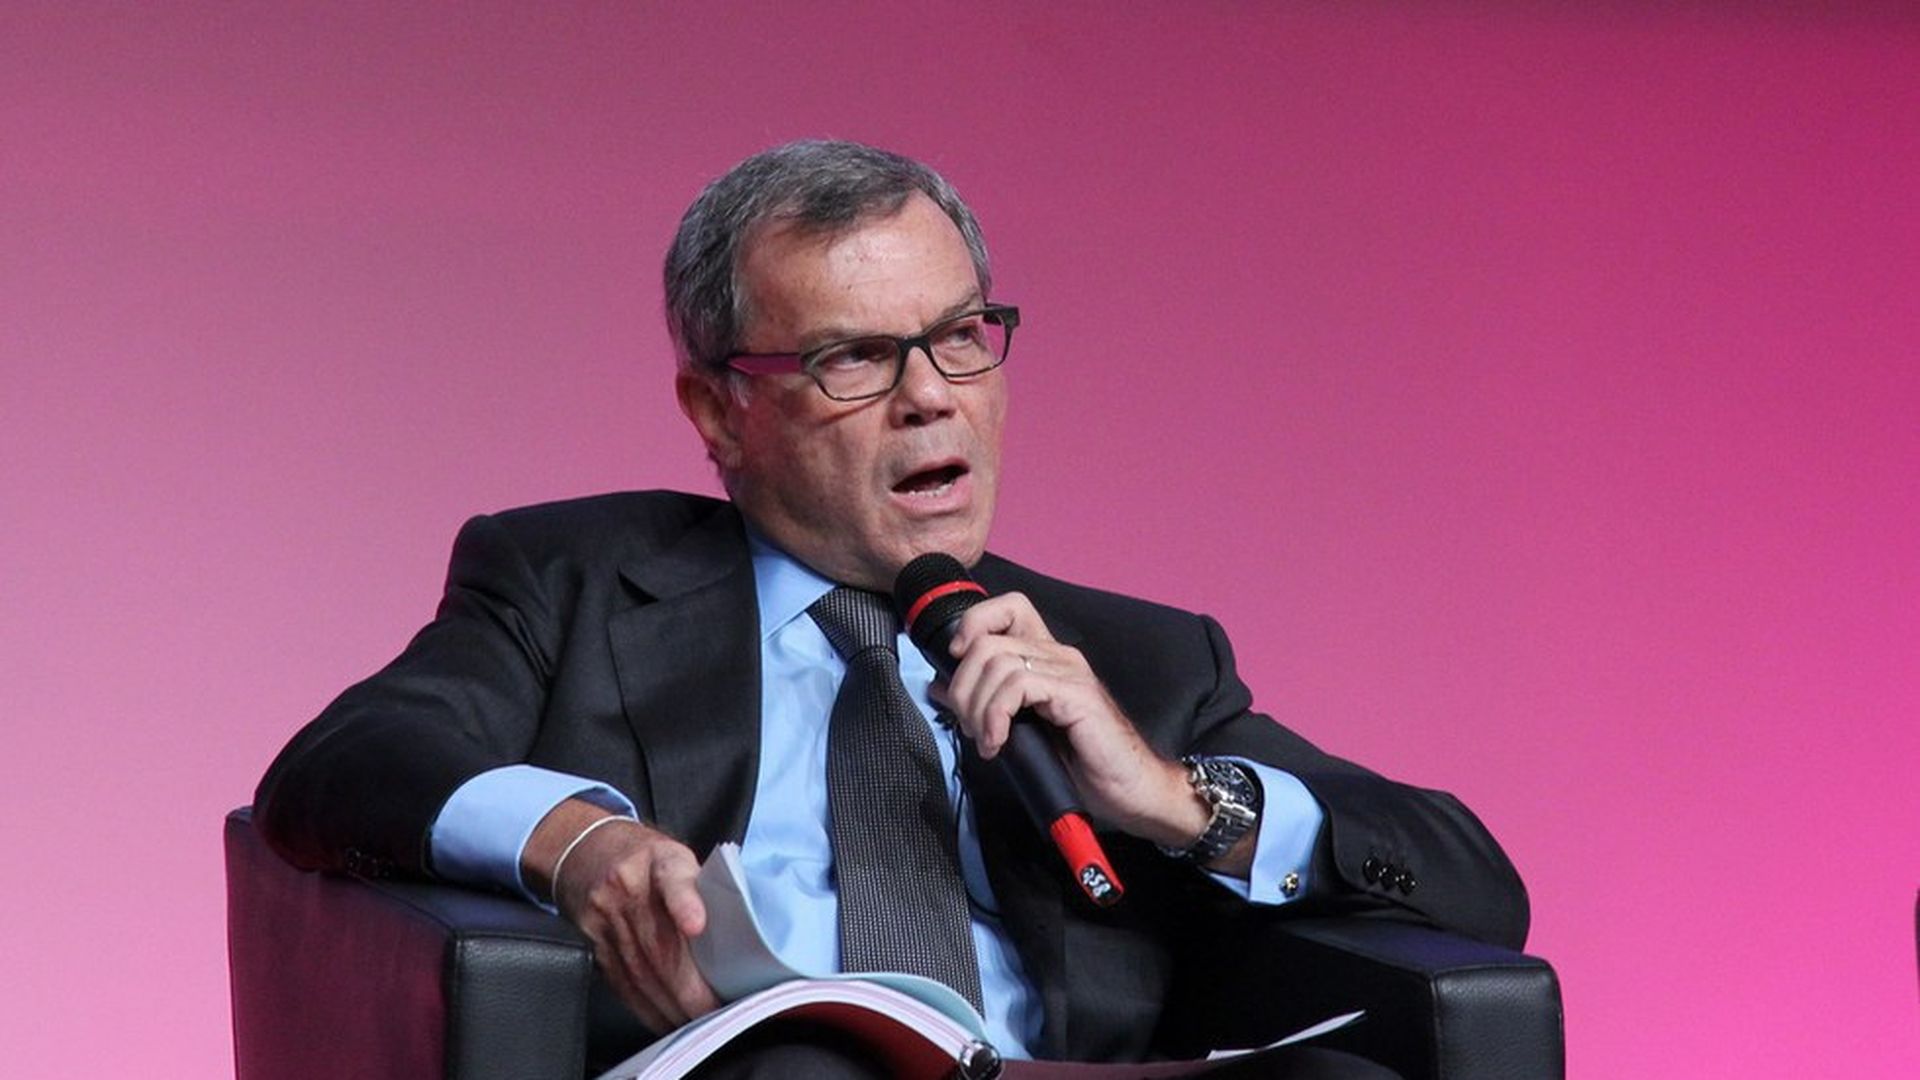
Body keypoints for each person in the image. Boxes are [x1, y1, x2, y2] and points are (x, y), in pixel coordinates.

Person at [255, 140, 1527, 1079]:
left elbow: (1477, 886)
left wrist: (1174, 798)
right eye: (854, 358)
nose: (932, 396)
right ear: (717, 413)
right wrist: (576, 842)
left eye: (961, 335)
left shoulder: (1133, 659)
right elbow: (339, 765)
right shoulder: (573, 579)